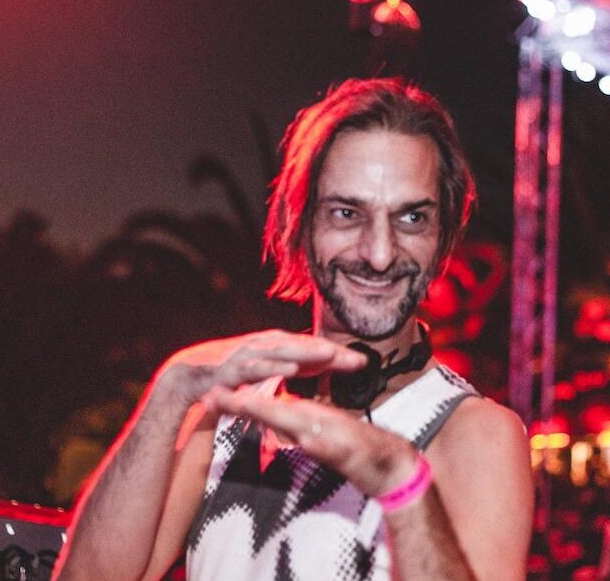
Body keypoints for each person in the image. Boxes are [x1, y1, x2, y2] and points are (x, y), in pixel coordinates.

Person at [53, 78, 533, 581]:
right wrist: (169, 390)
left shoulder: (476, 433)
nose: (380, 253)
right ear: (298, 224)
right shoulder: (231, 408)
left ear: (443, 236)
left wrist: (402, 484)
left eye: (411, 218)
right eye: (347, 214)